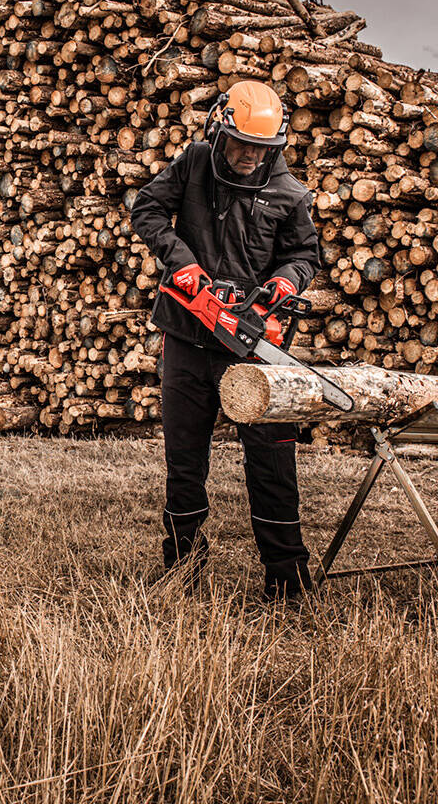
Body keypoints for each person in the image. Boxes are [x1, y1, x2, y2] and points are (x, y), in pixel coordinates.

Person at [131, 80, 320, 599]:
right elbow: (146, 209)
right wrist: (182, 262)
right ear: (220, 128)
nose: (248, 155)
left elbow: (305, 255)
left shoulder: (289, 192)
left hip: (250, 343)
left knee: (272, 460)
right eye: (241, 144)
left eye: (260, 148)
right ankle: (182, 566)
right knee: (184, 457)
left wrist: (285, 283)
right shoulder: (193, 163)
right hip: (187, 335)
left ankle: (287, 580)